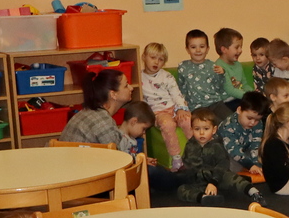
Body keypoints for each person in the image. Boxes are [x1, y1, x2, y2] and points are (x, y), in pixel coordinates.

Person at [175, 108, 264, 206]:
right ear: (192, 129)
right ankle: (203, 197)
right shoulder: (190, 145)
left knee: (231, 177)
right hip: (199, 181)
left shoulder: (217, 145)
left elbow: (222, 165)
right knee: (181, 190)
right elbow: (188, 164)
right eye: (197, 129)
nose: (201, 133)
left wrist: (213, 182)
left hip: (218, 177)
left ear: (214, 130)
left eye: (206, 129)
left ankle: (254, 192)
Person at [139, 42, 192, 170]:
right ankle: (176, 158)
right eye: (153, 57)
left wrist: (180, 109)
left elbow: (176, 94)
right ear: (144, 57)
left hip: (173, 108)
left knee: (187, 120)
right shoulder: (139, 77)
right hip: (157, 113)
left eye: (161, 59)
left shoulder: (166, 76)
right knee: (168, 125)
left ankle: (196, 152)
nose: (156, 62)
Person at [59, 68, 135, 150]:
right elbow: (116, 154)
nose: (131, 88)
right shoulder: (103, 121)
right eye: (126, 85)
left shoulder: (89, 112)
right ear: (113, 94)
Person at [177, 29, 226, 111]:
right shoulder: (183, 67)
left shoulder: (212, 65)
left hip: (215, 103)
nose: (198, 50)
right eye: (193, 47)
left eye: (202, 46)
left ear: (207, 49)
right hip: (196, 107)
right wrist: (182, 106)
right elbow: (181, 89)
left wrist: (222, 74)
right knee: (206, 119)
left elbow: (220, 88)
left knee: (230, 117)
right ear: (187, 49)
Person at [220, 91, 267, 175]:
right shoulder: (228, 126)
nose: (253, 122)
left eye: (257, 120)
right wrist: (250, 165)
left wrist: (257, 165)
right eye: (249, 118)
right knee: (234, 167)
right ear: (239, 110)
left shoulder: (258, 124)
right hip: (225, 151)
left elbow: (256, 144)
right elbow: (233, 149)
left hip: (243, 149)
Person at [213, 27, 251, 105]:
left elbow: (245, 84)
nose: (240, 50)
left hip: (239, 98)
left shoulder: (238, 65)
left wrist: (253, 93)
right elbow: (230, 90)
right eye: (237, 47)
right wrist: (249, 97)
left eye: (241, 47)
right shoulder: (219, 67)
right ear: (224, 49)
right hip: (226, 102)